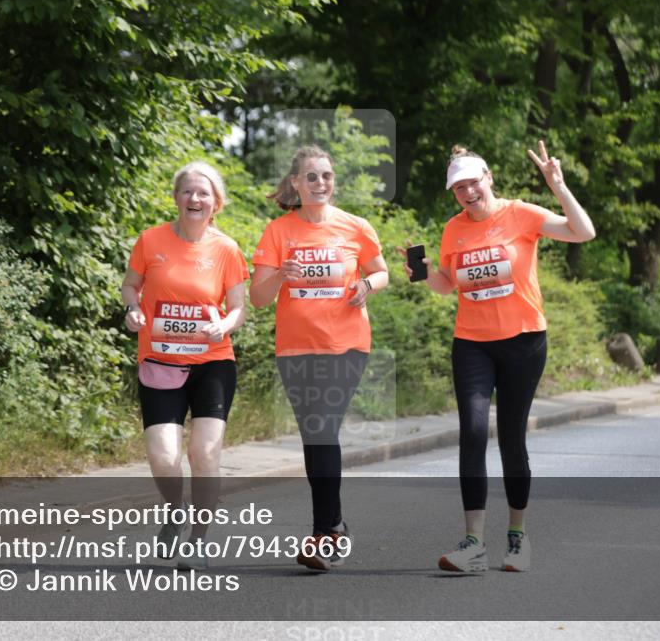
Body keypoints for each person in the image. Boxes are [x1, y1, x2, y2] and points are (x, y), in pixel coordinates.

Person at [403, 141, 595, 574]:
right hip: (471, 342)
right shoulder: (454, 229)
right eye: (459, 188)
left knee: (511, 438)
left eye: (473, 183)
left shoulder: (521, 214)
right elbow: (447, 284)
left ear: (488, 178)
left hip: (524, 341)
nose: (468, 193)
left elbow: (583, 232)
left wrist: (559, 186)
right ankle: (472, 543)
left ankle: (517, 538)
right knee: (472, 432)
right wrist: (424, 274)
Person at [249, 145, 389, 571]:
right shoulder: (278, 231)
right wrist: (279, 274)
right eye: (312, 177)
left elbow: (380, 271)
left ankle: (323, 533)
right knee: (315, 436)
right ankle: (334, 526)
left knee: (323, 429)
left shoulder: (354, 226)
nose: (320, 183)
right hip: (295, 348)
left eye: (326, 176)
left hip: (345, 344)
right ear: (296, 183)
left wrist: (368, 285)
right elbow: (257, 298)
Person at [121, 161, 249, 570]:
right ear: (176, 198)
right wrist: (132, 309)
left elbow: (238, 308)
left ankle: (199, 538)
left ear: (217, 203)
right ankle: (176, 510)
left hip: (212, 363)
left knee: (205, 452)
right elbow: (130, 286)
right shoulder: (150, 240)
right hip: (159, 360)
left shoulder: (226, 249)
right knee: (162, 455)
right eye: (188, 192)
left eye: (203, 193)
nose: (195, 199)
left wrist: (223, 324)